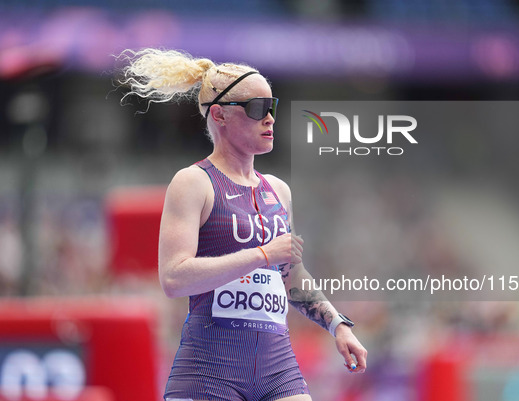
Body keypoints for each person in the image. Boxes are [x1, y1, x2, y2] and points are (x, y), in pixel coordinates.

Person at [118, 48, 367, 401]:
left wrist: (337, 324)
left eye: (272, 107)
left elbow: (291, 275)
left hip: (276, 368)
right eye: (256, 109)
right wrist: (262, 254)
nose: (270, 119)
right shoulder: (193, 182)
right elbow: (174, 278)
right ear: (219, 115)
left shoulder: (278, 190)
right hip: (209, 371)